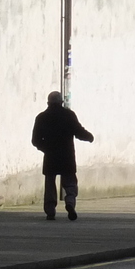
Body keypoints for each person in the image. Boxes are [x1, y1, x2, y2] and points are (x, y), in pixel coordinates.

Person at [31, 91, 94, 221]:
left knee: (50, 183)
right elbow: (78, 131)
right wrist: (89, 137)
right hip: (67, 155)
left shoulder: (41, 117)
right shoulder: (68, 115)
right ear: (61, 102)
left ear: (48, 103)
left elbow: (35, 140)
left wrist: (45, 148)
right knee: (70, 182)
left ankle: (50, 211)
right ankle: (70, 202)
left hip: (50, 155)